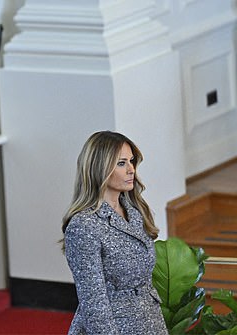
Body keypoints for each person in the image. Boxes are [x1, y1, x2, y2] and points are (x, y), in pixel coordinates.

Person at [61, 131, 167, 335]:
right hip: (113, 327)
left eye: (132, 161)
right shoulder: (84, 226)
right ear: (99, 168)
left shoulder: (134, 211)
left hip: (149, 321)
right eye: (121, 163)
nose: (131, 170)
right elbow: (94, 304)